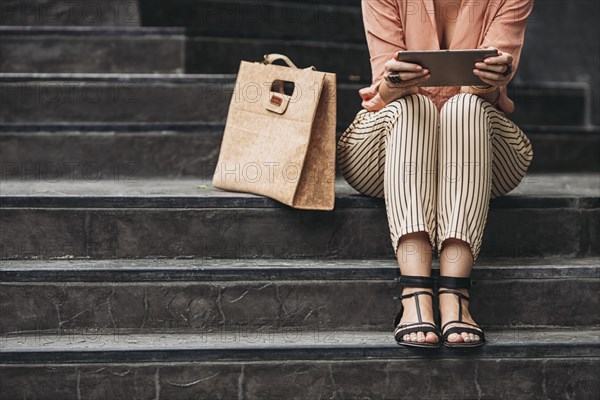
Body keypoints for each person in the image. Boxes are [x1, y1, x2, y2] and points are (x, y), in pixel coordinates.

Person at [336, 0, 534, 348]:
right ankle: (415, 291)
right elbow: (382, 88)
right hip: (385, 150)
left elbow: (490, 90)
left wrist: (492, 83)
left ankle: (455, 292)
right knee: (414, 106)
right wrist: (394, 83)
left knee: (466, 105)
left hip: (476, 148)